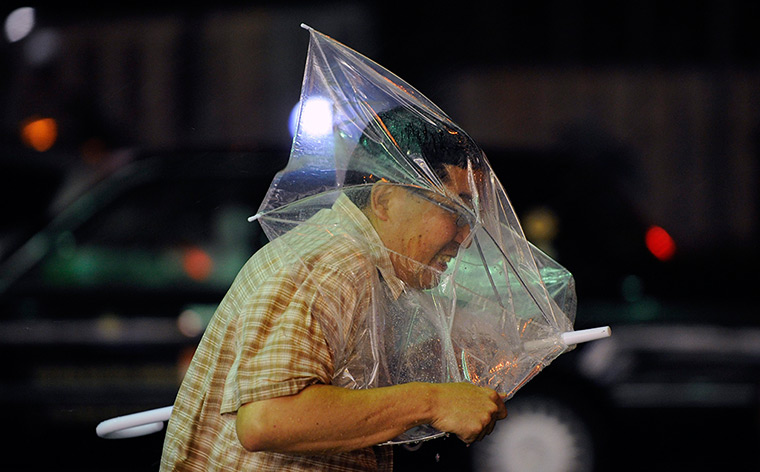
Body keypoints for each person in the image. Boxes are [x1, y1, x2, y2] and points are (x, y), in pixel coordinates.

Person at [159, 107, 507, 472]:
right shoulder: (337, 262)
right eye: (456, 212)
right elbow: (267, 418)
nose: (465, 238)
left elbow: (334, 385)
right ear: (385, 201)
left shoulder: (357, 262)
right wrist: (432, 402)